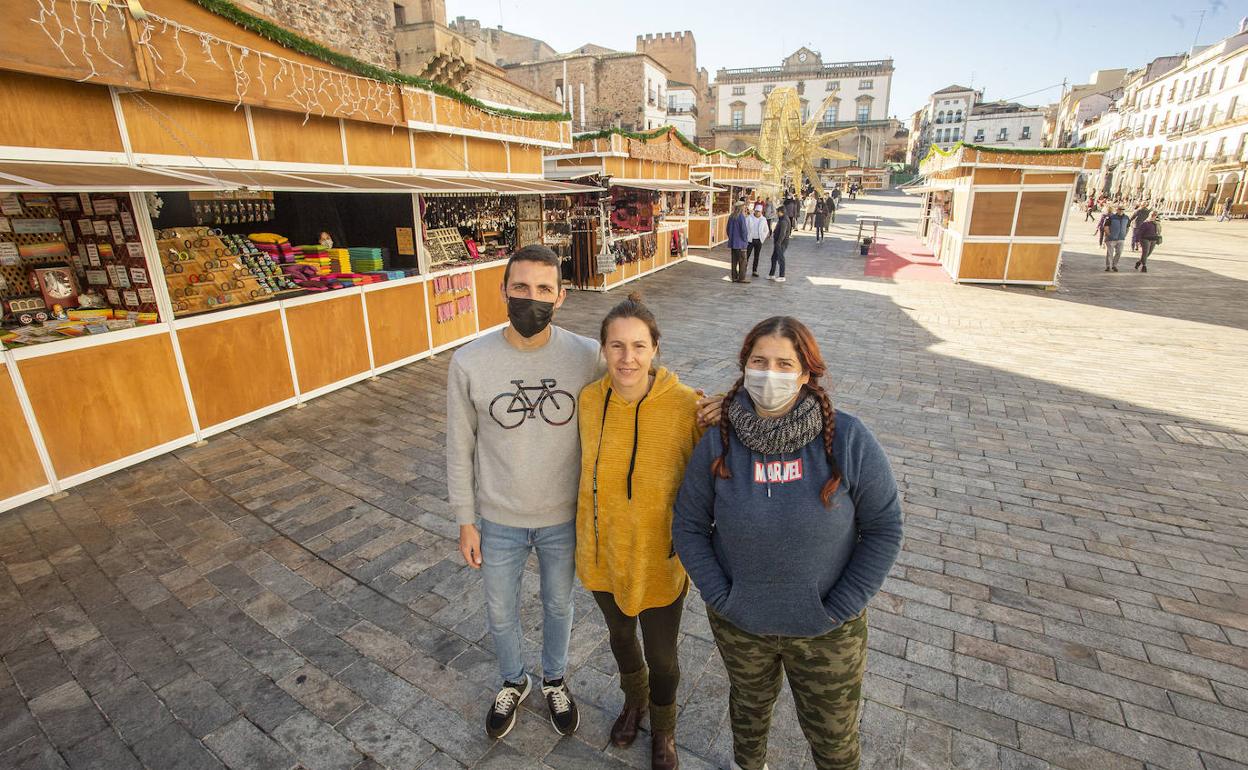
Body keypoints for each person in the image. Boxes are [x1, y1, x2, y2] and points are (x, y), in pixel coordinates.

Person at [672, 316, 903, 770]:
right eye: (759, 361)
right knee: (749, 714)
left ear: (805, 373)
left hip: (828, 632)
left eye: (784, 363)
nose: (770, 373)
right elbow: (689, 524)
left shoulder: (849, 439)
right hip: (742, 626)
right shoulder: (719, 440)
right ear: (744, 367)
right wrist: (722, 597)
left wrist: (841, 606)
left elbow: (884, 528)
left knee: (835, 739)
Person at [447, 245, 596, 740]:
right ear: (503, 290)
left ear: (561, 296)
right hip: (499, 518)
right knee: (498, 608)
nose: (531, 299)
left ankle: (554, 677)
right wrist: (466, 520)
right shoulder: (469, 362)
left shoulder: (587, 357)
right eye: (520, 288)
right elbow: (458, 446)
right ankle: (514, 680)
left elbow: (634, 391)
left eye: (543, 290)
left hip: (562, 517)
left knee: (559, 604)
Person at [576, 293, 705, 770]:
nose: (626, 358)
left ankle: (665, 730)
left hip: (658, 558)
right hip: (601, 552)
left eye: (638, 346)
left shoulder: (687, 406)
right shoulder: (589, 401)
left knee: (664, 657)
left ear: (655, 349)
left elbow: (713, 478)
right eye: (616, 346)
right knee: (620, 638)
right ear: (603, 349)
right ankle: (635, 701)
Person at [727, 202, 751, 283]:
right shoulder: (741, 217)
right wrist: (745, 240)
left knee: (734, 261)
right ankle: (741, 278)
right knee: (743, 261)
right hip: (741, 243)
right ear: (741, 208)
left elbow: (727, 229)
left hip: (733, 242)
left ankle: (734, 277)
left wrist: (731, 238)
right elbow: (744, 230)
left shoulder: (731, 216)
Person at [1103, 204, 1130, 272]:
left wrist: (1124, 234)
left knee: (1119, 252)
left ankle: (1114, 265)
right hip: (1111, 238)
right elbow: (1106, 226)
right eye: (1120, 209)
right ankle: (1108, 266)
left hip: (1121, 238)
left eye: (1123, 209)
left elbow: (1127, 227)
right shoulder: (1111, 217)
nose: (1121, 211)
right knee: (1110, 253)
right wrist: (1109, 234)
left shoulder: (1126, 218)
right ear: (1117, 210)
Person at [768, 208, 792, 283]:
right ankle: (771, 274)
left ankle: (782, 276)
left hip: (781, 243)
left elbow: (783, 233)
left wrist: (779, 242)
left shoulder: (784, 221)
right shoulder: (782, 219)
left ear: (781, 212)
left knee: (780, 259)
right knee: (774, 258)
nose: (776, 213)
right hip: (778, 242)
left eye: (777, 212)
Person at [747, 203, 769, 278]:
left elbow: (766, 230)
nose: (757, 213)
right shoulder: (749, 218)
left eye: (759, 211)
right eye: (756, 211)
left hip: (759, 240)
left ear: (761, 212)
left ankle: (754, 270)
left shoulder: (763, 219)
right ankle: (743, 269)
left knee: (757, 256)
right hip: (750, 240)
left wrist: (762, 237)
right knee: (747, 255)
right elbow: (745, 228)